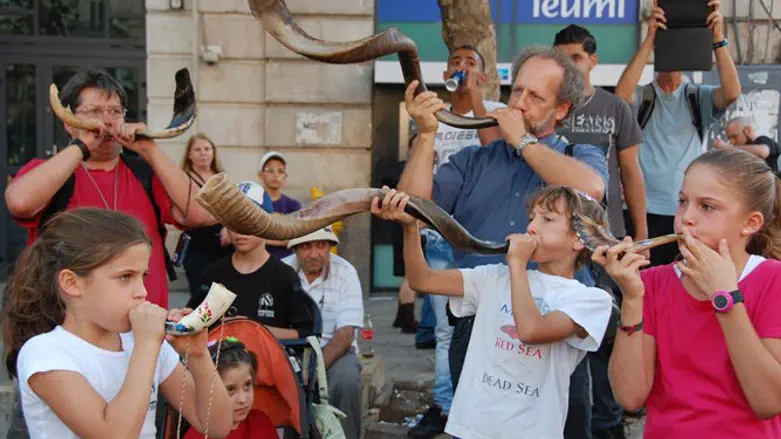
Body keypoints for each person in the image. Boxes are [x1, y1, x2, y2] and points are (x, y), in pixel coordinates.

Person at [398, 44, 609, 439]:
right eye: (517, 92)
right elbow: (412, 207)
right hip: (480, 321)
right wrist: (427, 135)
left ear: (560, 110)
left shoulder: (581, 154)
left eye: (535, 97)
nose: (519, 103)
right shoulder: (475, 160)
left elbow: (591, 190)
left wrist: (523, 143)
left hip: (556, 325)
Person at [371, 185, 613, 439]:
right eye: (532, 218)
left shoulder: (589, 299)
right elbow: (422, 280)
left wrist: (517, 264)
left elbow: (531, 331)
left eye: (547, 219)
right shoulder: (494, 277)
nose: (531, 227)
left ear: (579, 239)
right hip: (471, 428)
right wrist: (410, 228)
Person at [596, 148, 781, 438]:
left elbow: (768, 401)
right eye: (683, 202)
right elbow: (629, 397)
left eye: (707, 207)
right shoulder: (653, 283)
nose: (686, 218)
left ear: (750, 223)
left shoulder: (772, 279)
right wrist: (631, 297)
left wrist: (725, 297)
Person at [1, 208, 233, 439]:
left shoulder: (143, 343)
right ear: (72, 283)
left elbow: (216, 426)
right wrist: (146, 346)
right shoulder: (45, 353)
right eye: (125, 277)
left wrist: (198, 355)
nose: (142, 292)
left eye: (143, 276)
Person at [4, 67, 216, 309]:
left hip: (141, 328)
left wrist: (150, 149)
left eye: (115, 112)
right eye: (93, 111)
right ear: (69, 122)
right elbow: (20, 203)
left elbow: (201, 213)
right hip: (68, 330)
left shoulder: (145, 173)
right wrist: (82, 146)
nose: (106, 120)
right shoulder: (48, 172)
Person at [407, 44, 508, 437]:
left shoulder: (495, 110)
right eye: (455, 62)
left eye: (471, 64)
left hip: (479, 238)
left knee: (489, 324)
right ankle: (447, 405)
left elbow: (496, 150)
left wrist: (475, 97)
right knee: (447, 328)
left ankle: (483, 402)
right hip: (438, 239)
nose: (461, 67)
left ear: (483, 76)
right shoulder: (432, 115)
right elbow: (420, 172)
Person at [553, 24, 646, 439]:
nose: (566, 65)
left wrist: (639, 236)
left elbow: (630, 173)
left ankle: (608, 427)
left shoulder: (615, 108)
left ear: (592, 60)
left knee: (605, 337)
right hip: (556, 244)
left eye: (574, 57)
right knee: (562, 335)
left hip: (607, 243)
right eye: (560, 57)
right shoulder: (548, 106)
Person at [614, 0, 741, 267]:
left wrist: (718, 39)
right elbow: (622, 95)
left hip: (687, 213)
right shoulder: (646, 97)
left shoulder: (697, 97)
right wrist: (649, 39)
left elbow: (731, 93)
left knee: (684, 283)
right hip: (642, 212)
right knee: (644, 284)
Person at [188, 181, 314, 340]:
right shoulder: (214, 274)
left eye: (249, 222)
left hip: (269, 361)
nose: (241, 230)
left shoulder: (284, 276)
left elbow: (305, 332)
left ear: (267, 223)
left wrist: (254, 331)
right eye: (234, 222)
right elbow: (194, 324)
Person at [282, 227, 363, 439]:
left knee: (346, 381)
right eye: (306, 246)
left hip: (335, 351)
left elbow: (345, 333)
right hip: (291, 350)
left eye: (321, 245)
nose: (315, 253)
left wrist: (315, 370)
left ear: (329, 247)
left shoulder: (346, 272)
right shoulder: (282, 271)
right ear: (296, 249)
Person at [184, 338, 279, 439]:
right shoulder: (197, 435)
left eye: (247, 385)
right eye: (230, 389)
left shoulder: (261, 423)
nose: (242, 399)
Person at [180, 133, 234, 299]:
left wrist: (229, 227)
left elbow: (234, 207)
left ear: (213, 152)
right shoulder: (183, 178)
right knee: (201, 292)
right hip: (198, 242)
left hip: (223, 243)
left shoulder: (222, 177)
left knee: (225, 292)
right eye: (197, 149)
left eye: (207, 149)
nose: (203, 153)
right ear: (189, 154)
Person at [258, 151, 302, 259]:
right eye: (270, 170)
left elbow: (295, 238)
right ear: (260, 175)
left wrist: (260, 238)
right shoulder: (253, 203)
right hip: (258, 260)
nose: (275, 174)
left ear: (285, 176)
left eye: (280, 171)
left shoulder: (293, 206)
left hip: (287, 260)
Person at [714, 115, 780, 173]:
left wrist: (726, 148)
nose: (731, 142)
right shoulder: (744, 153)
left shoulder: (762, 140)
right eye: (729, 138)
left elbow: (762, 151)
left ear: (747, 130)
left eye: (734, 137)